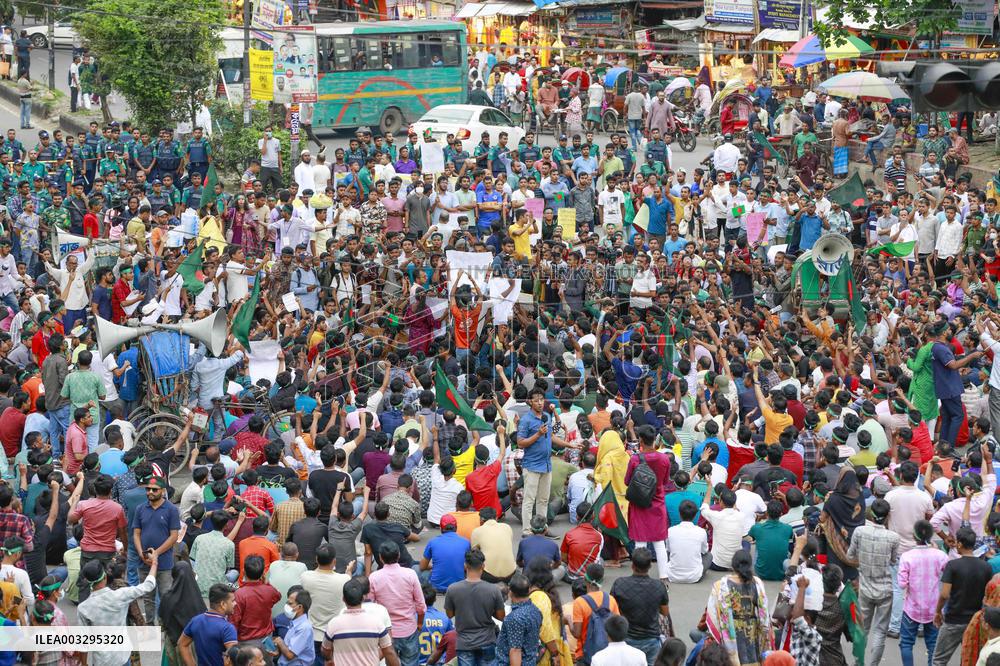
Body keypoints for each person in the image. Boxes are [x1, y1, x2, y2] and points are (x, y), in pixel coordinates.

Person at [444, 549, 505, 665]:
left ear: (465, 566)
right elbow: (501, 616)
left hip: (464, 643)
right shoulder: (493, 590)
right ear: (483, 566)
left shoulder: (453, 589)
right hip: (487, 640)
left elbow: (449, 614)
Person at [610, 547, 670, 665]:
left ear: (632, 565)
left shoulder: (619, 583)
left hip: (626, 638)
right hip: (651, 638)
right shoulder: (659, 586)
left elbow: (613, 609)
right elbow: (665, 612)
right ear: (650, 566)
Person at [322, 578, 399, 666]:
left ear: (343, 599)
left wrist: (329, 658)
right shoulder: (376, 623)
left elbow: (326, 650)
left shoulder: (333, 624)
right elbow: (389, 651)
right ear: (363, 598)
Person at [178, 583, 239, 666]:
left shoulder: (195, 621)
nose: (235, 603)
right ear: (223, 604)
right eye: (232, 601)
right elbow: (233, 659)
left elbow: (182, 644)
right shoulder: (227, 628)